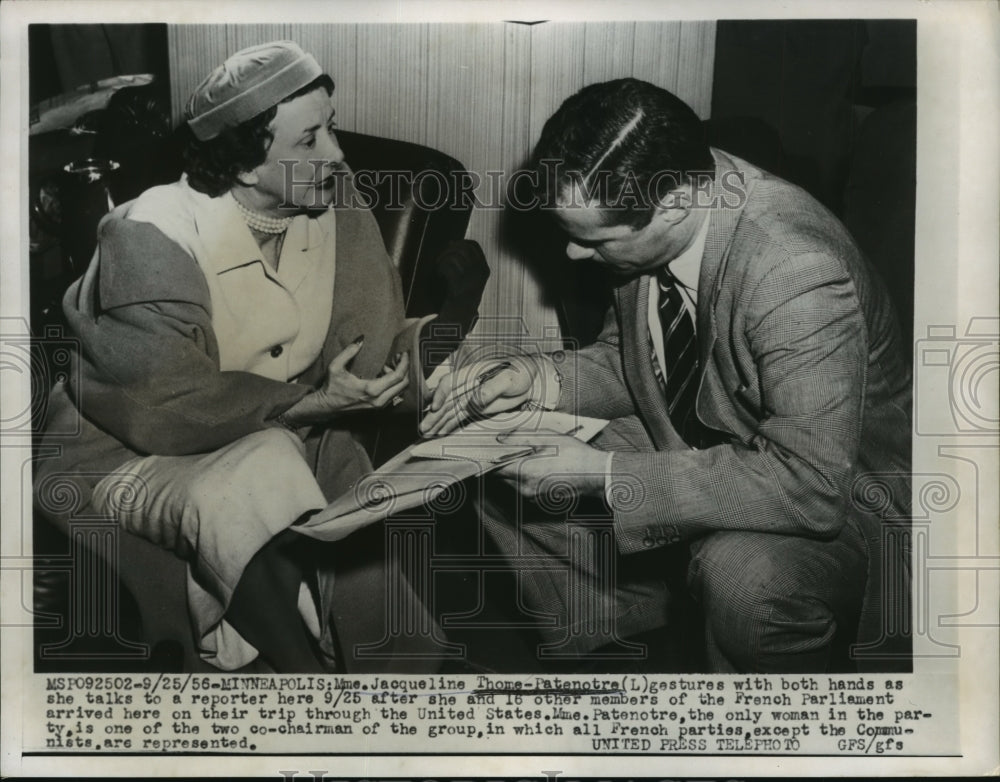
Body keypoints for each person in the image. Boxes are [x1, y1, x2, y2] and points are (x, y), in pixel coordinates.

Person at [422, 78, 912, 673]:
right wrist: (533, 380)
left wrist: (605, 474)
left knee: (741, 579)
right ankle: (613, 640)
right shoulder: (662, 199)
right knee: (493, 448)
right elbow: (638, 364)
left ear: (676, 205)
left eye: (592, 240)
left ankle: (773, 731)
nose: (574, 257)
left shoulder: (796, 272)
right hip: (720, 439)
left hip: (846, 498)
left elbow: (810, 485)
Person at [34, 41, 433, 672]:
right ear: (246, 166)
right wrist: (306, 403)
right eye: (309, 141)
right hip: (125, 451)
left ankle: (409, 674)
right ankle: (311, 681)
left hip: (267, 441)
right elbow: (164, 402)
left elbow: (369, 338)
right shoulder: (150, 233)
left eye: (331, 126)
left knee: (298, 466)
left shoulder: (332, 197)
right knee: (257, 470)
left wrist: (419, 369)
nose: (336, 152)